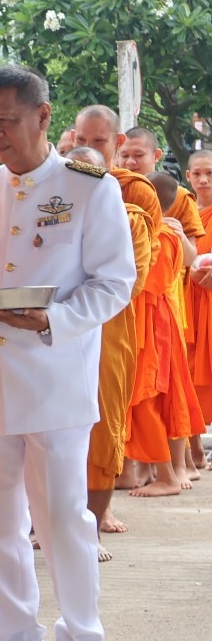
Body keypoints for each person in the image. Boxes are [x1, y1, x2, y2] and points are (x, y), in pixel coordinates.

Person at [0, 66, 134, 641]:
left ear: (44, 117)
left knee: (62, 523)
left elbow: (113, 284)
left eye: (7, 121)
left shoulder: (88, 190)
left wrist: (50, 318)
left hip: (54, 381)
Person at [76, 106, 201, 497]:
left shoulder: (136, 191)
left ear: (116, 143)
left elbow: (143, 268)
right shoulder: (62, 186)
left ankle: (123, 489)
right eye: (82, 141)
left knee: (133, 398)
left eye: (99, 142)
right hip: (72, 316)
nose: (89, 149)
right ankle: (126, 472)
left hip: (132, 315)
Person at [59, 145, 152, 557]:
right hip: (53, 340)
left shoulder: (130, 222)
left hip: (108, 337)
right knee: (50, 433)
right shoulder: (50, 216)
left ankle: (92, 527)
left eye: (92, 177)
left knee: (102, 432)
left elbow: (129, 283)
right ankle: (50, 522)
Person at [117, 126, 206, 472]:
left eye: (138, 155)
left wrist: (171, 231)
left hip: (163, 300)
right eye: (125, 155)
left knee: (164, 386)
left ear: (155, 156)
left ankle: (177, 464)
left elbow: (190, 254)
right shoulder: (110, 188)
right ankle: (145, 466)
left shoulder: (177, 198)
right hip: (126, 304)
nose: (130, 161)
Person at [185, 151, 212, 421]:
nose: (203, 180)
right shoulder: (184, 211)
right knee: (190, 371)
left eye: (210, 173)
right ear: (188, 176)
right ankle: (195, 450)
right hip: (191, 304)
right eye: (197, 174)